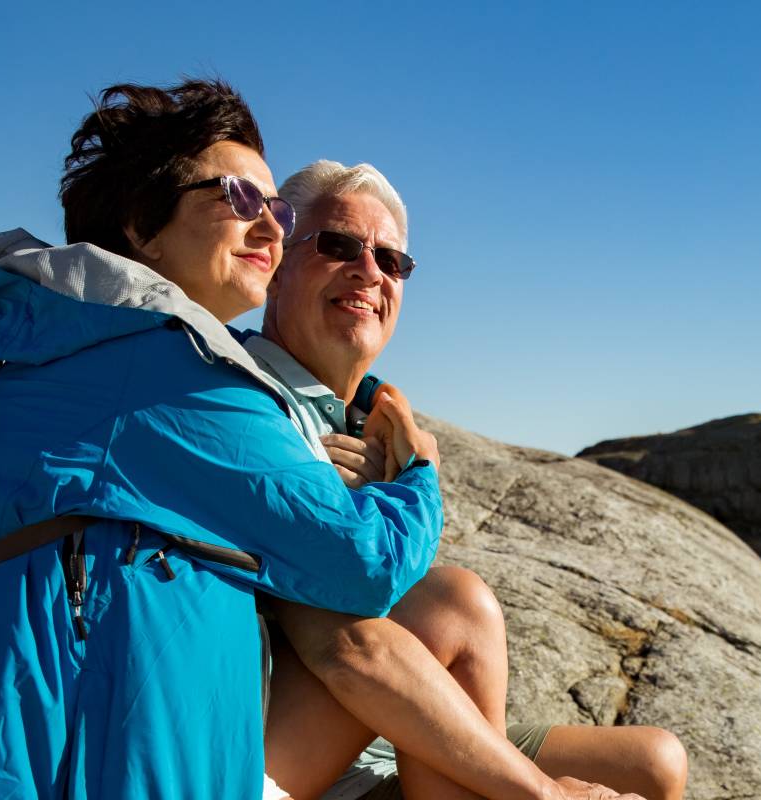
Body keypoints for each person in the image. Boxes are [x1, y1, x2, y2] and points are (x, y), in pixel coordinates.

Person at [0, 81, 449, 799]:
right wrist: (418, 474)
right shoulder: (168, 374)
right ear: (141, 224)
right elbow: (364, 561)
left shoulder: (95, 349)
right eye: (238, 198)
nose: (271, 229)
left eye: (278, 210)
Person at [247, 160, 689, 800]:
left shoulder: (370, 418)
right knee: (457, 603)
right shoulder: (248, 406)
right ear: (275, 267)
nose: (369, 271)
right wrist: (412, 479)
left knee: (655, 762)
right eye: (338, 245)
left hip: (377, 728)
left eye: (391, 260)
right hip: (291, 745)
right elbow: (344, 634)